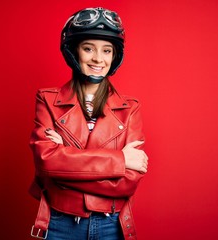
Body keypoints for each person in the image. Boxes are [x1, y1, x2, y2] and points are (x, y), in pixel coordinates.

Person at [29, 7, 148, 240]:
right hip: (60, 223)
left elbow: (128, 183)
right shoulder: (48, 99)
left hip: (110, 225)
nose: (98, 59)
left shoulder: (130, 108)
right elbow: (46, 164)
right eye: (88, 48)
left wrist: (66, 161)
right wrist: (121, 159)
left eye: (106, 50)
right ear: (74, 52)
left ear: (114, 57)